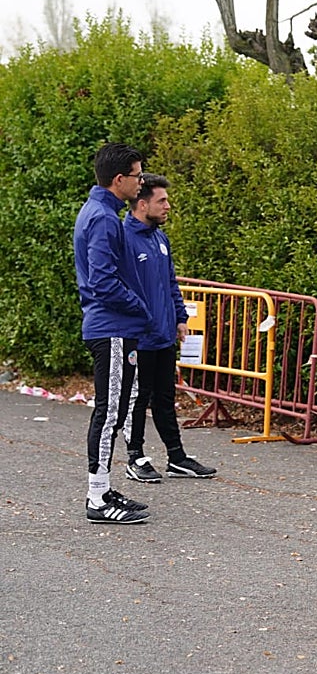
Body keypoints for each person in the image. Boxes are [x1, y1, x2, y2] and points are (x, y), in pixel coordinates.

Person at [73, 142, 153, 524]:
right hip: (112, 329)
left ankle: (103, 488)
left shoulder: (102, 212)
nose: (142, 181)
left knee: (115, 410)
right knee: (109, 414)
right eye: (138, 175)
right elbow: (103, 282)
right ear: (119, 179)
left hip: (116, 328)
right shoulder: (103, 218)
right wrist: (140, 308)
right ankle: (96, 498)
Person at [122, 174, 217, 482]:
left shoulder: (160, 238)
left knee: (164, 397)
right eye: (161, 201)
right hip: (138, 338)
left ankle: (176, 457)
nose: (168, 206)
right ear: (142, 204)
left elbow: (170, 283)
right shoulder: (124, 238)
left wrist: (180, 317)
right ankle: (135, 456)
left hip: (164, 335)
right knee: (138, 398)